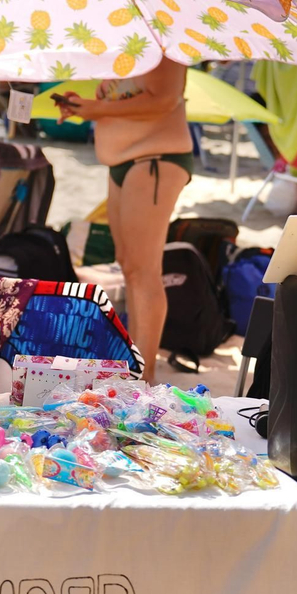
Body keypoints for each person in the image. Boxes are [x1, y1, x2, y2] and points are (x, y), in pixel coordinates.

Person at [57, 60, 192, 383]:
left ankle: (145, 377)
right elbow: (128, 101)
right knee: (130, 266)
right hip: (125, 161)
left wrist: (97, 109)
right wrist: (86, 107)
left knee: (144, 270)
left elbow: (164, 99)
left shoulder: (164, 45)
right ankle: (136, 366)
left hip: (155, 158)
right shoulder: (128, 49)